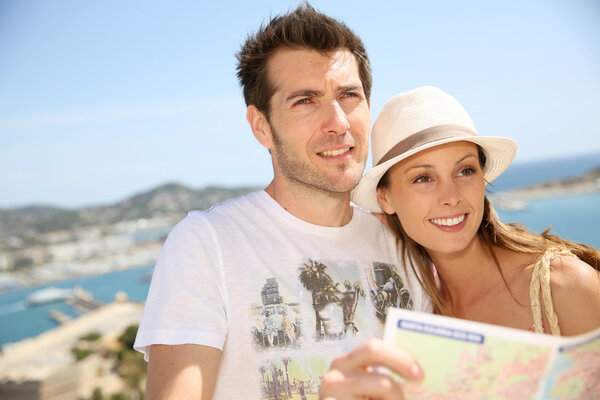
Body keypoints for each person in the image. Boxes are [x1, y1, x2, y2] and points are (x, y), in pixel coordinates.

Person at [133, 5, 430, 399]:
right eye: (305, 100)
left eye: (349, 95)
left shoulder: (403, 243)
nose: (338, 122)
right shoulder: (207, 244)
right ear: (261, 126)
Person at [349, 85, 600, 335]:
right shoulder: (416, 316)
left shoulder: (562, 286)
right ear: (385, 199)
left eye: (465, 171)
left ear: (482, 177)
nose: (451, 197)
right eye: (423, 178)